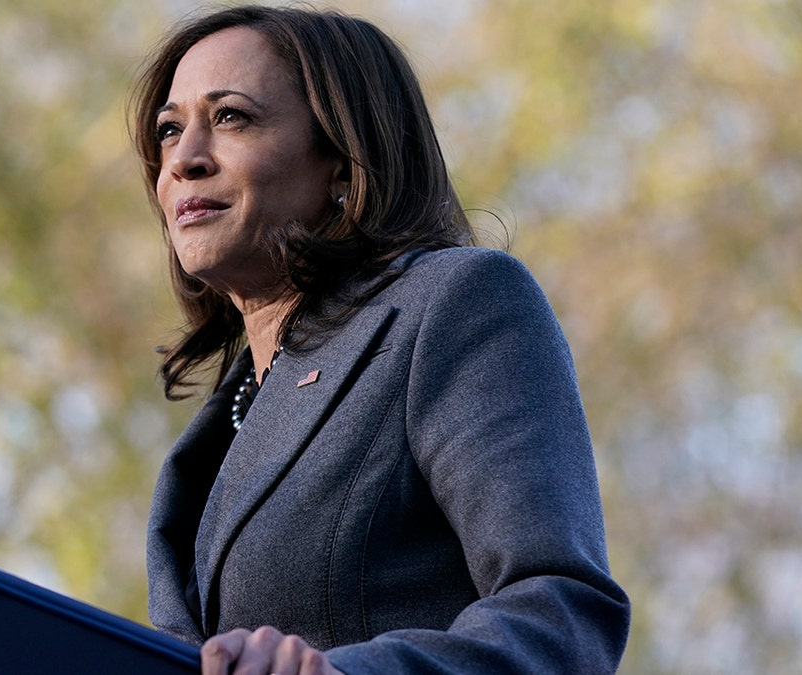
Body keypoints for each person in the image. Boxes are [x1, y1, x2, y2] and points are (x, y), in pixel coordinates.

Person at [130, 5, 630, 674]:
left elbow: (563, 614)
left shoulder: (456, 304)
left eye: (231, 118)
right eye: (169, 130)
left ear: (341, 159)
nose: (184, 160)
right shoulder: (223, 427)